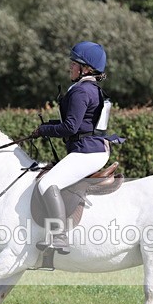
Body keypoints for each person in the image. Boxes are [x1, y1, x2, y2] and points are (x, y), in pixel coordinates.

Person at [31, 41, 119, 254]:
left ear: (86, 69)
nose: (69, 67)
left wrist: (45, 131)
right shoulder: (90, 89)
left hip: (88, 151)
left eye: (74, 63)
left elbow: (70, 128)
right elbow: (78, 124)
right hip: (91, 148)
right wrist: (46, 127)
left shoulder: (81, 91)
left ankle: (59, 236)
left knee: (47, 183)